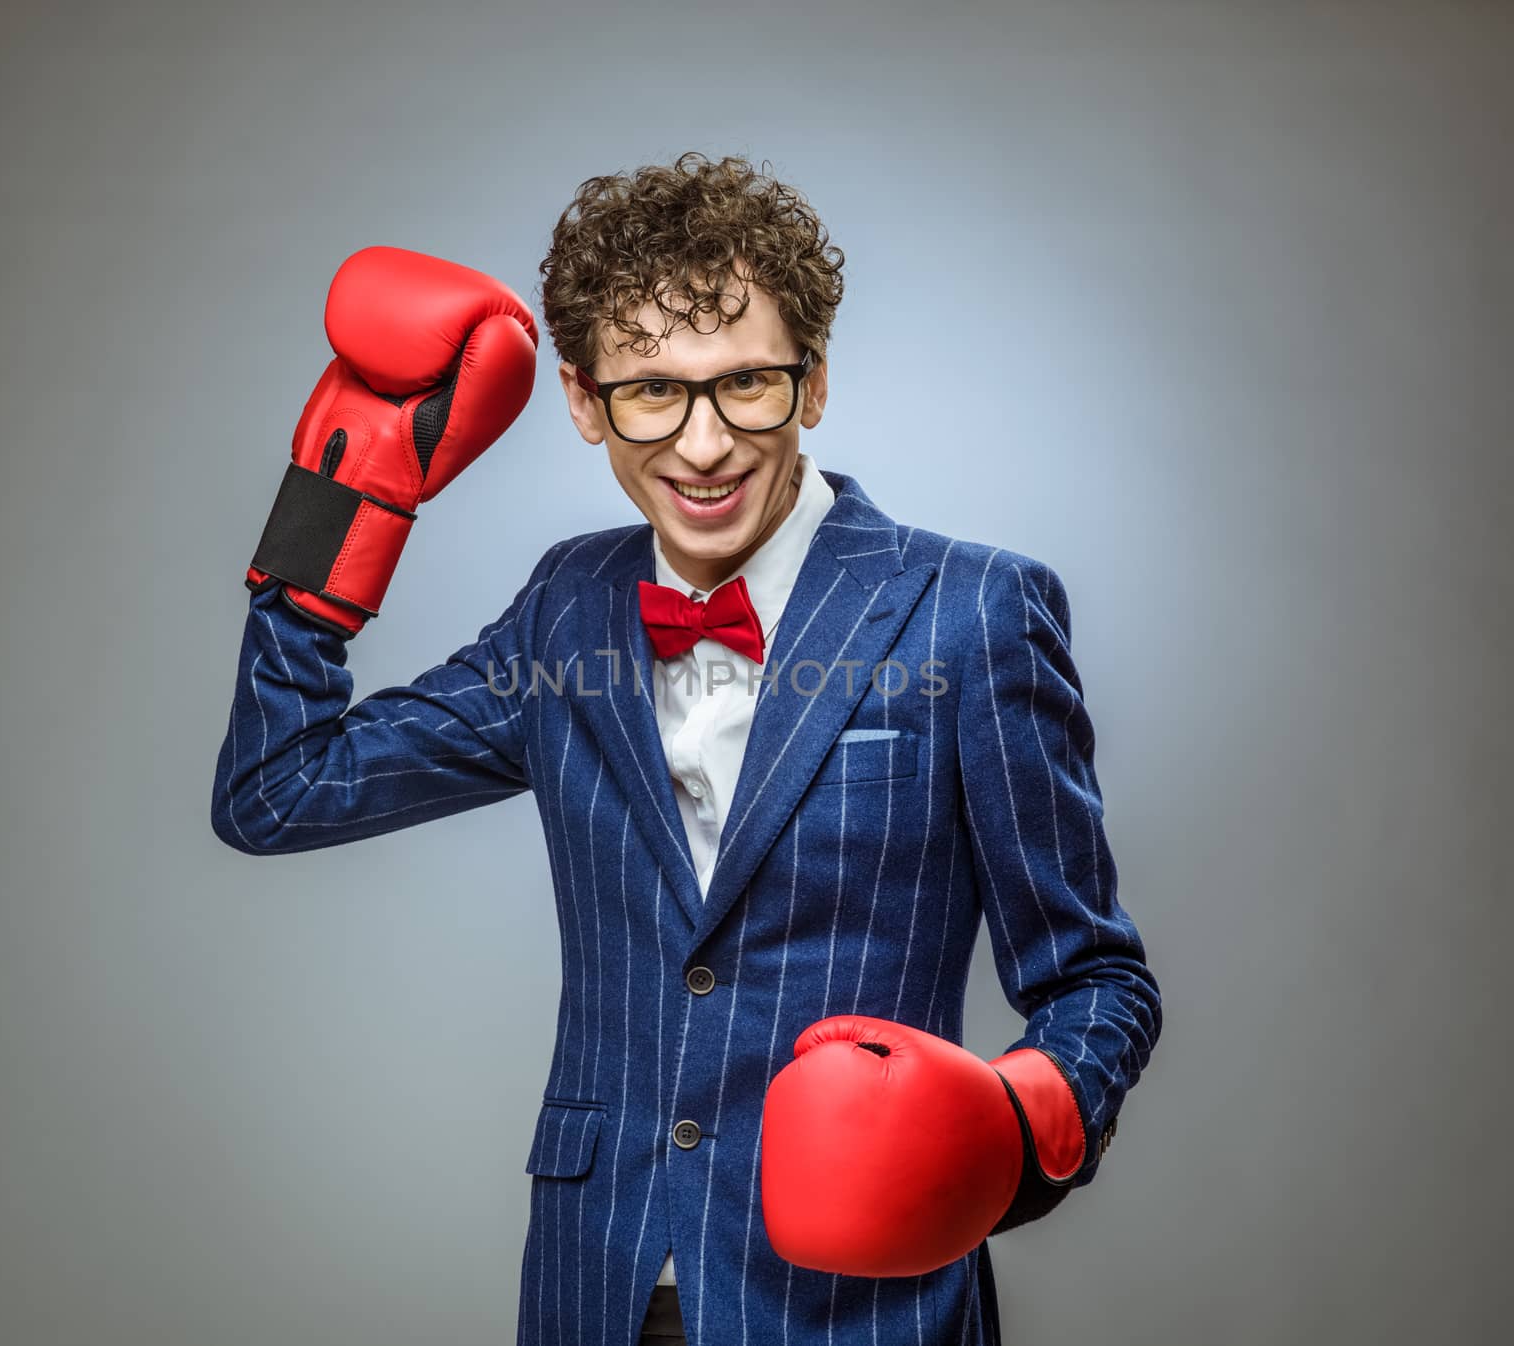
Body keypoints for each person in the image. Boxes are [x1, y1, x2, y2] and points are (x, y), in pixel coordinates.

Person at [212, 151, 1162, 1346]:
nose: (703, 443)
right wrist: (339, 509)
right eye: (651, 390)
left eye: (746, 386)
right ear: (578, 398)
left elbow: (1096, 980)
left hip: (860, 1306)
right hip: (596, 1285)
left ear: (812, 383)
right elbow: (276, 792)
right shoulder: (568, 605)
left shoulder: (969, 611)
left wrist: (1019, 1129)